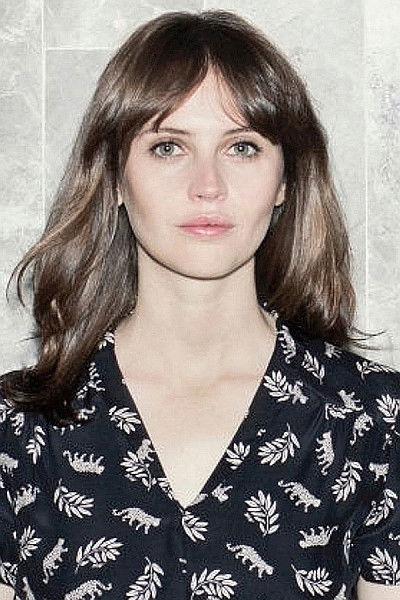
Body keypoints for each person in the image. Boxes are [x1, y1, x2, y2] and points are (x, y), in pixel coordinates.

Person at [0, 9, 399, 600]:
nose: (207, 186)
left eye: (242, 147)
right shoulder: (18, 430)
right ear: (114, 177)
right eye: (168, 147)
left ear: (285, 180)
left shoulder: (372, 421)